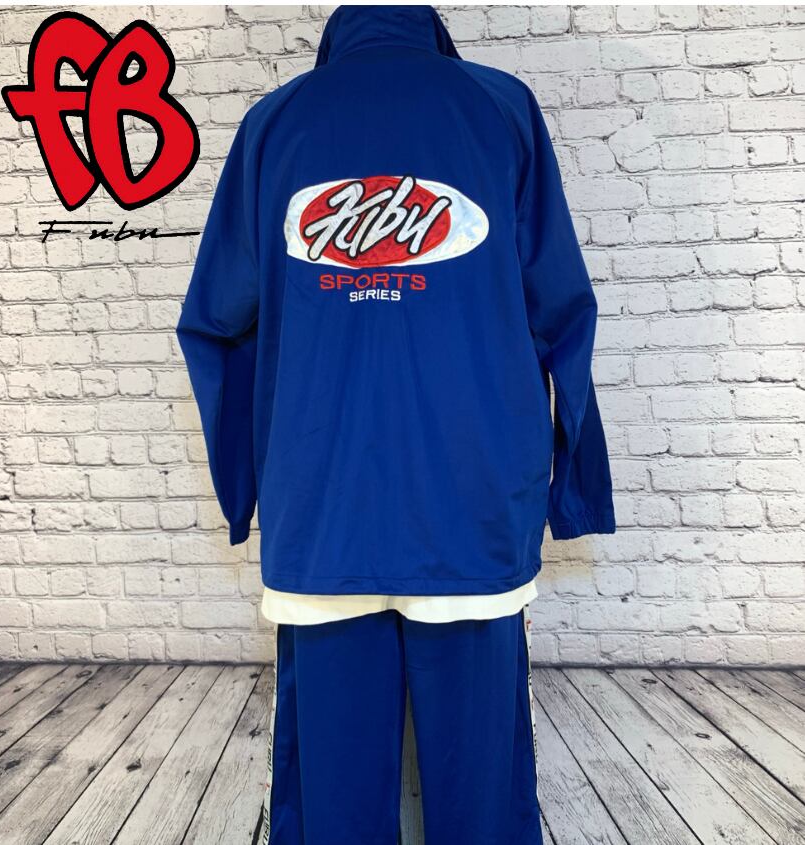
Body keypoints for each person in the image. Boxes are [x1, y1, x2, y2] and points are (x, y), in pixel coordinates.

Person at [177, 6, 615, 844]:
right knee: (483, 794)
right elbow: (563, 310)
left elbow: (215, 323)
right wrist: (572, 487)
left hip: (321, 510)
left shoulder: (275, 124)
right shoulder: (501, 108)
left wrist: (249, 491)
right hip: (475, 503)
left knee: (331, 800)